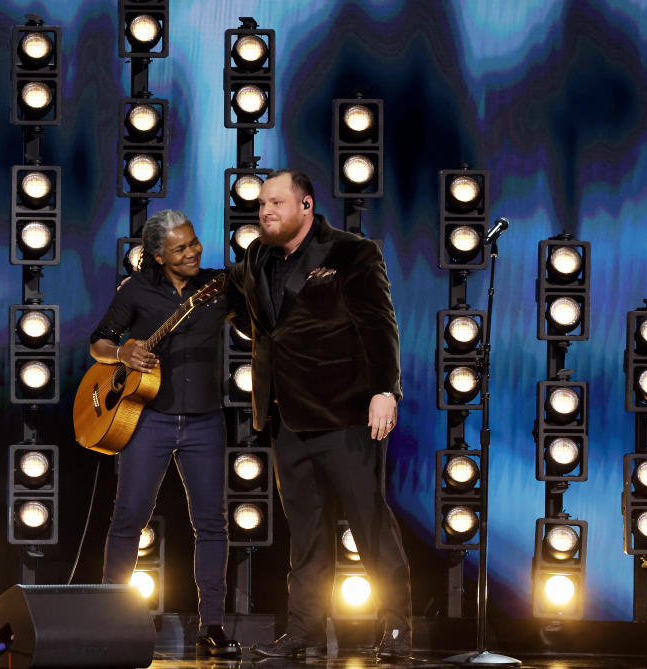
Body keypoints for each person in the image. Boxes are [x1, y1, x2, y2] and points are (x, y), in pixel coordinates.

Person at [227, 170, 412, 659]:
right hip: (286, 417)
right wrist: (160, 284)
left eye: (276, 203)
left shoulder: (352, 252)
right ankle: (304, 632)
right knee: (306, 534)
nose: (265, 212)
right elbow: (229, 296)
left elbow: (379, 324)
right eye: (262, 204)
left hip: (346, 413)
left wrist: (384, 391)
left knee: (368, 523)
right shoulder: (255, 256)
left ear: (306, 205)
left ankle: (395, 628)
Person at [89, 209, 239, 657]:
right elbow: (98, 343)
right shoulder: (136, 290)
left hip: (205, 421)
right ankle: (112, 624)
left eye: (194, 242)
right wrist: (123, 351)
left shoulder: (217, 287)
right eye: (180, 248)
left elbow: (257, 321)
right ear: (158, 254)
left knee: (212, 524)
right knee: (128, 519)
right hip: (147, 418)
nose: (193, 252)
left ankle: (212, 626)